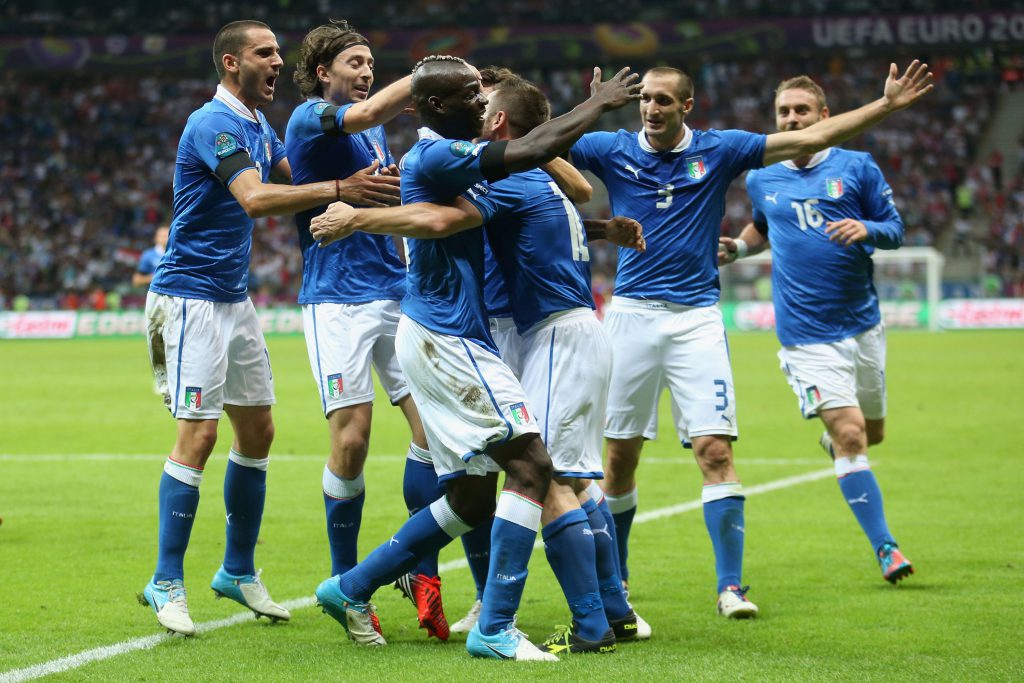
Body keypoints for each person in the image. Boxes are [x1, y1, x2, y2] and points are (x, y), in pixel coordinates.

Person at [567, 60, 932, 618]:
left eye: (665, 99)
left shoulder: (722, 149)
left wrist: (886, 106)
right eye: (646, 99)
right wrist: (593, 107)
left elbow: (813, 137)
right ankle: (617, 582)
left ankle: (730, 587)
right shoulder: (609, 147)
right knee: (618, 460)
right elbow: (538, 144)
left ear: (686, 105)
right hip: (631, 316)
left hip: (696, 321)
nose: (652, 108)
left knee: (715, 451)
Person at [309, 55, 641, 660]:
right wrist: (597, 106)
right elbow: (440, 215)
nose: (481, 104)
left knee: (471, 497)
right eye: (470, 95)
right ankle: (498, 624)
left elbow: (521, 198)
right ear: (438, 107)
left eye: (485, 98)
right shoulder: (438, 154)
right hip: (446, 335)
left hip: (456, 334)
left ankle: (350, 586)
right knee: (536, 466)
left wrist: (596, 228)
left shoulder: (457, 159)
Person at [139, 20, 358, 637]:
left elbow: (296, 177)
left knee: (258, 429)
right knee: (200, 436)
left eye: (280, 52)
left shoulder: (260, 124)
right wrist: (341, 186)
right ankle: (165, 580)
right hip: (188, 300)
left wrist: (359, 185)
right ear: (232, 63)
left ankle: (237, 570)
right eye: (266, 53)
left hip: (232, 299)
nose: (278, 62)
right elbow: (258, 199)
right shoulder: (213, 123)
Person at [284, 19, 451, 641]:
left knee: (435, 432)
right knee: (351, 442)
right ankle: (347, 586)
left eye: (370, 62)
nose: (366, 71)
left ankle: (419, 570)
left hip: (395, 292)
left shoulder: (378, 129)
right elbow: (364, 114)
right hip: (337, 301)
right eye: (354, 62)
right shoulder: (309, 117)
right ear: (324, 72)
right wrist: (427, 75)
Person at [720, 75, 914, 585]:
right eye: (784, 111)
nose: (791, 120)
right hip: (804, 332)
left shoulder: (857, 167)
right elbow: (761, 228)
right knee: (851, 435)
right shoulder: (763, 176)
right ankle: (887, 548)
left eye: (802, 111)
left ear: (824, 115)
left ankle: (839, 445)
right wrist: (738, 249)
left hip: (863, 326)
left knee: (872, 434)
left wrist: (867, 229)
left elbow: (894, 229)